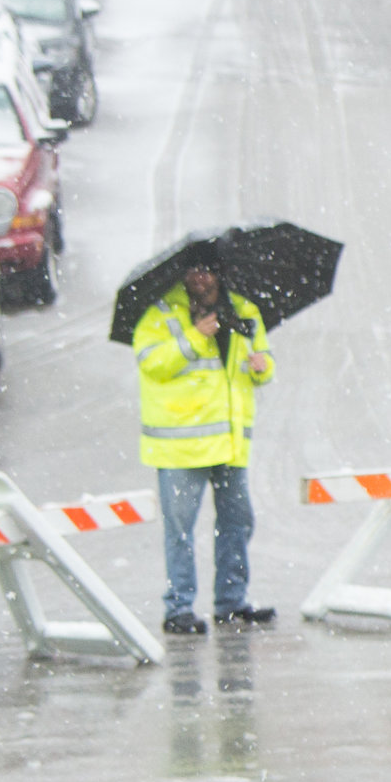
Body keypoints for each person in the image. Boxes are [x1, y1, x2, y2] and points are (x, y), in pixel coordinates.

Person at [133, 259, 275, 634]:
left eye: (208, 270)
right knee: (180, 530)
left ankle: (232, 602)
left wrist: (262, 366)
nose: (200, 277)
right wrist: (195, 336)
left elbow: (264, 359)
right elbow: (150, 362)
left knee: (238, 523)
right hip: (182, 447)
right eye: (193, 270)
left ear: (220, 273)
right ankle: (178, 608)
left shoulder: (244, 310)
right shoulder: (161, 312)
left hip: (228, 444)